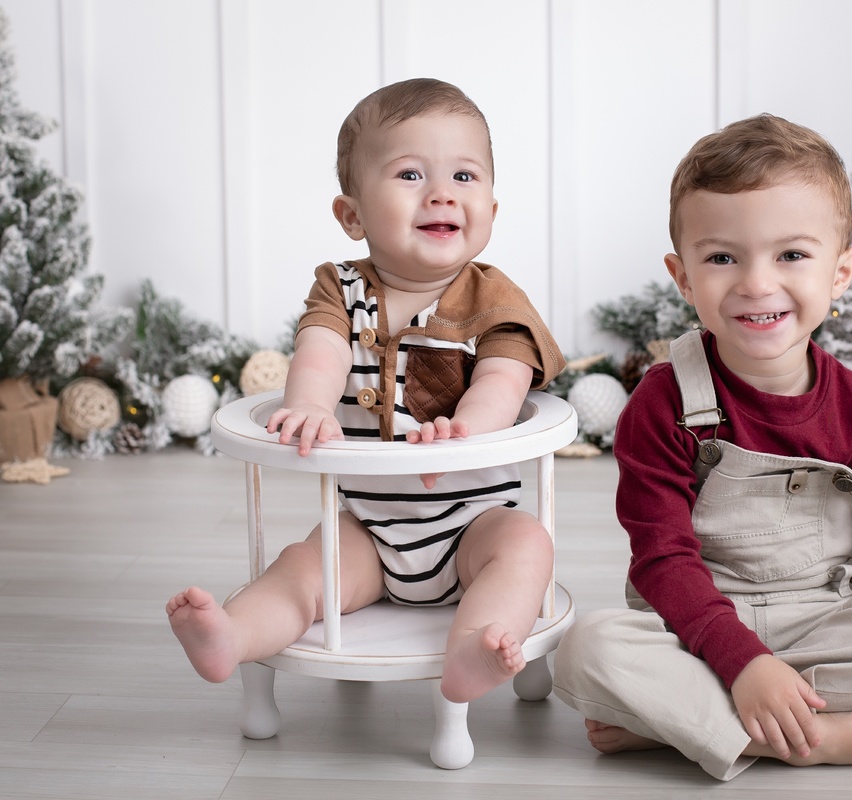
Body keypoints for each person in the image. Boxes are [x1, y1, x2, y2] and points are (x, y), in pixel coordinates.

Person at [552, 114, 852, 780]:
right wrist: (742, 661)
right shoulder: (663, 402)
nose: (757, 283)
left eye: (790, 255)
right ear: (682, 276)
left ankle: (686, 721)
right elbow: (661, 560)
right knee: (584, 649)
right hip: (694, 622)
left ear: (842, 271)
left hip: (822, 616)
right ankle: (825, 737)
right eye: (723, 257)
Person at [167, 78, 564, 705]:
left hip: (473, 525)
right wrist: (311, 405)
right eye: (410, 174)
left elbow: (503, 378)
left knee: (527, 547)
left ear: (491, 207)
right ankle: (234, 634)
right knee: (304, 569)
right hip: (372, 528)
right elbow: (320, 351)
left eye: (465, 177)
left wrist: (465, 430)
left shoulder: (494, 299)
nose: (441, 193)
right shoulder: (341, 290)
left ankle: (475, 650)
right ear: (352, 214)